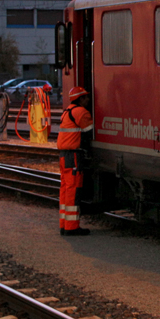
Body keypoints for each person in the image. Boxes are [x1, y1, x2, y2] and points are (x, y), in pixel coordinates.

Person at [57, 86, 93, 236]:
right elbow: (90, 132)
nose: (88, 100)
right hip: (73, 156)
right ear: (80, 99)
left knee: (65, 189)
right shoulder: (81, 112)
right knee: (73, 190)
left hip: (64, 156)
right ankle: (72, 227)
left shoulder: (67, 112)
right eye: (86, 97)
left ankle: (64, 225)